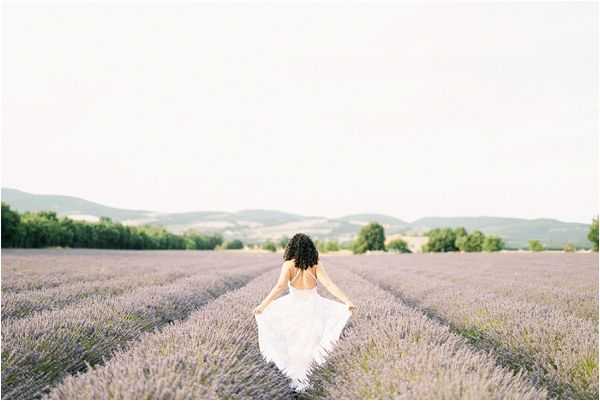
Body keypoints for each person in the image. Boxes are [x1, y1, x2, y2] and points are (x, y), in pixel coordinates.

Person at [253, 233, 356, 392]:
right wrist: (346, 301)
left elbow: (279, 287)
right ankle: (308, 384)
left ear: (292, 247)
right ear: (310, 248)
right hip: (314, 310)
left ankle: (293, 384)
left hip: (292, 310)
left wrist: (262, 306)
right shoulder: (316, 264)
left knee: (293, 347)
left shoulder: (288, 265)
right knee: (311, 347)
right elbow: (329, 285)